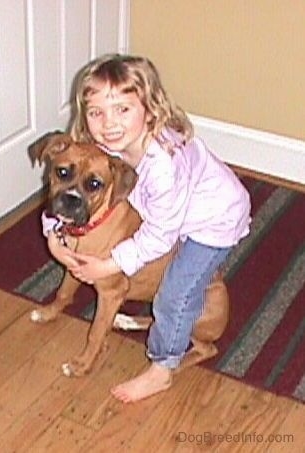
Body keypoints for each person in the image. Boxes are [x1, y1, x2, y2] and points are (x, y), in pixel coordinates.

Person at [43, 53, 251, 403]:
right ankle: (142, 321)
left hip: (214, 221)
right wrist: (53, 233)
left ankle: (163, 368)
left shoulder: (163, 166)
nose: (109, 123)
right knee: (162, 258)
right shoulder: (109, 146)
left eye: (123, 110)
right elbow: (66, 198)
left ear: (150, 110)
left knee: (175, 292)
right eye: (97, 113)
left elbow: (158, 236)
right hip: (174, 210)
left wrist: (109, 265)